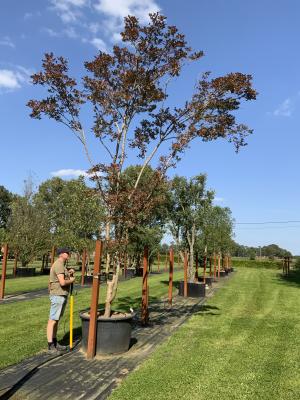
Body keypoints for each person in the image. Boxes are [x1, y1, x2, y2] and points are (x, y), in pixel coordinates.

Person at [47, 247, 75, 353]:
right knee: (52, 320)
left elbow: (62, 276)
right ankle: (50, 345)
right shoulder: (58, 264)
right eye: (66, 252)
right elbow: (62, 282)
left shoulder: (62, 265)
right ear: (61, 254)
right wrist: (72, 280)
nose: (68, 254)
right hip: (57, 294)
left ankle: (54, 342)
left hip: (61, 294)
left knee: (56, 320)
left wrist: (69, 272)